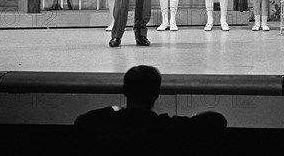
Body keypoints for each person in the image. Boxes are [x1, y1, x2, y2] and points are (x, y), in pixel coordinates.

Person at [74, 65, 227, 154]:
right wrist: (194, 116)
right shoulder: (165, 127)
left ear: (125, 91)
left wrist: (112, 110)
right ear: (156, 94)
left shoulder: (106, 123)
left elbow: (81, 122)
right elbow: (217, 120)